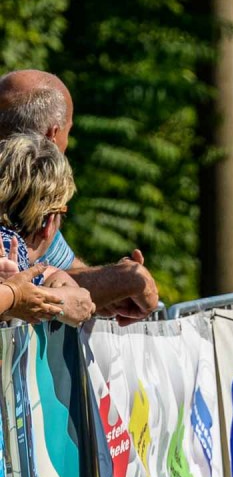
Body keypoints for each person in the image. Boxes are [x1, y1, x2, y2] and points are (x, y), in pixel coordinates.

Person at [0, 70, 159, 322]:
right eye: (68, 132)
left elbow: (49, 271)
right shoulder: (29, 211)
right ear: (51, 136)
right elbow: (26, 283)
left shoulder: (26, 210)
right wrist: (27, 297)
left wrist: (109, 285)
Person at [0, 134, 94, 325]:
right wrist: (16, 295)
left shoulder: (13, 255)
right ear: (49, 222)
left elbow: (36, 275)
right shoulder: (7, 245)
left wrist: (54, 277)